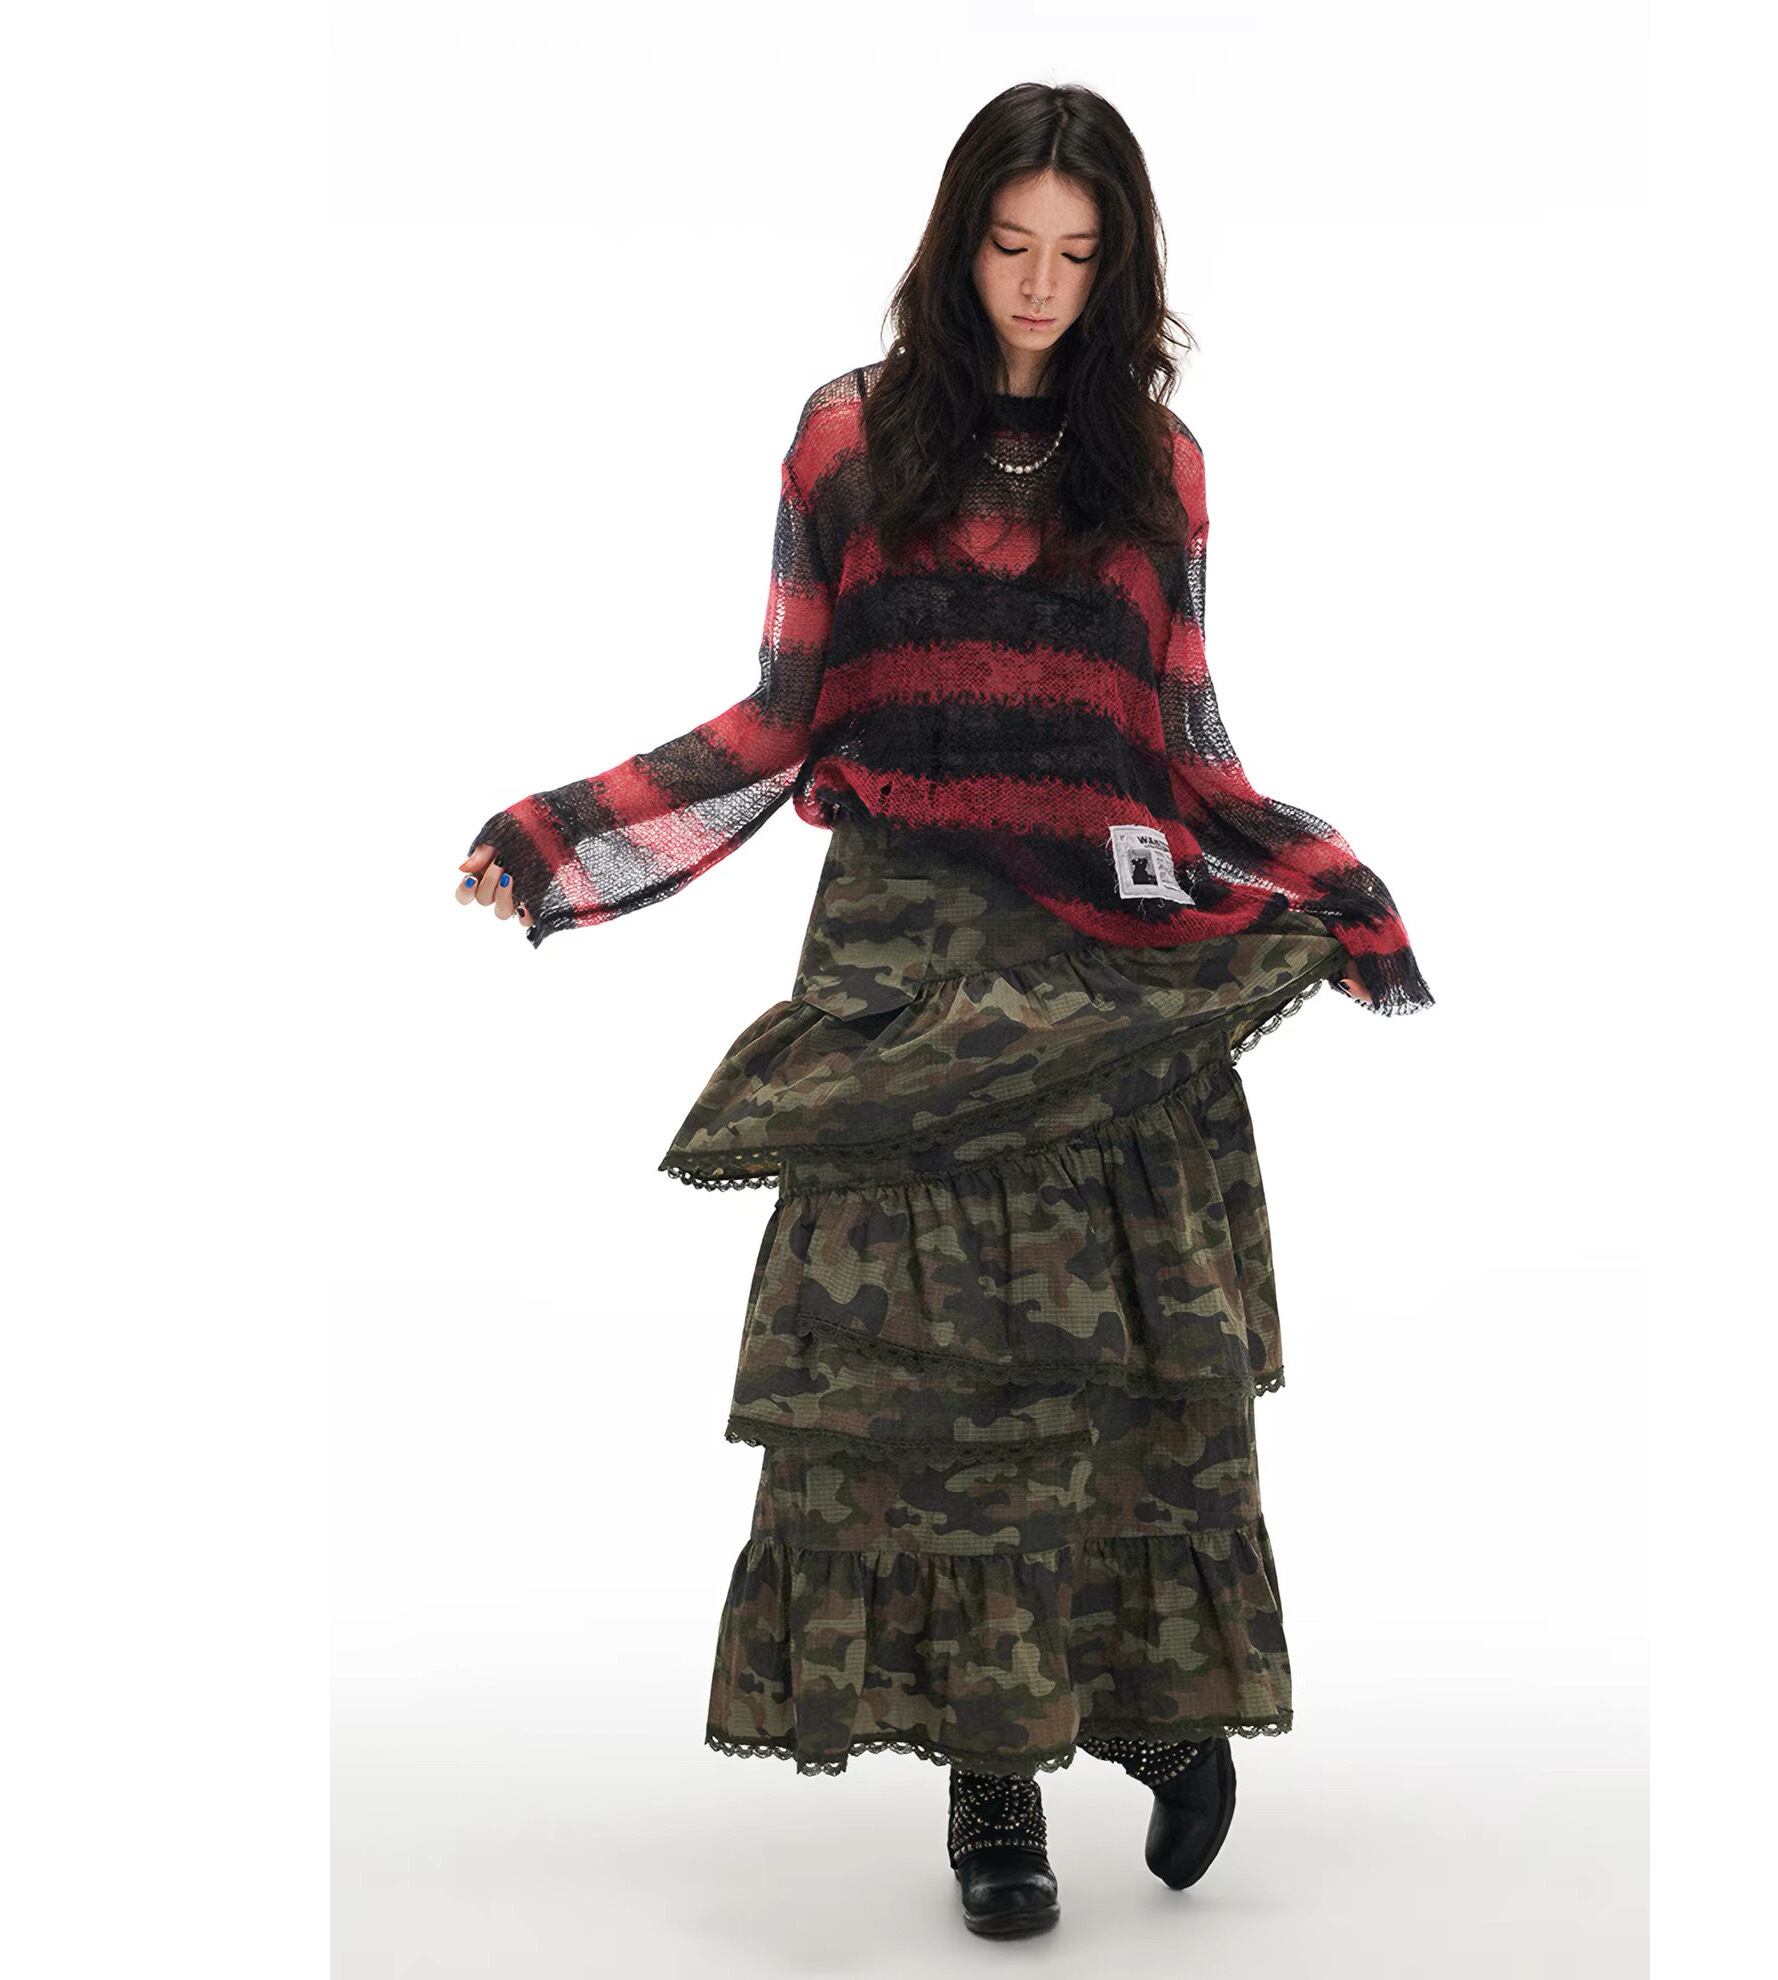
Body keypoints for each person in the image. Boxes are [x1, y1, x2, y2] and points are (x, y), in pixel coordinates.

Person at [456, 81, 1433, 1940]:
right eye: (1009, 244)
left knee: (1123, 1363)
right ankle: (995, 1789)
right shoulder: (852, 440)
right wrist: (566, 833)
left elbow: (1184, 740)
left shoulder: (1158, 466)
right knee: (923, 1389)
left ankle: (1163, 1713)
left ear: (1119, 265)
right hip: (905, 958)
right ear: (956, 239)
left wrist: (1322, 874)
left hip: (1099, 960)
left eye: (1077, 253)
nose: (1039, 285)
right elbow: (779, 716)